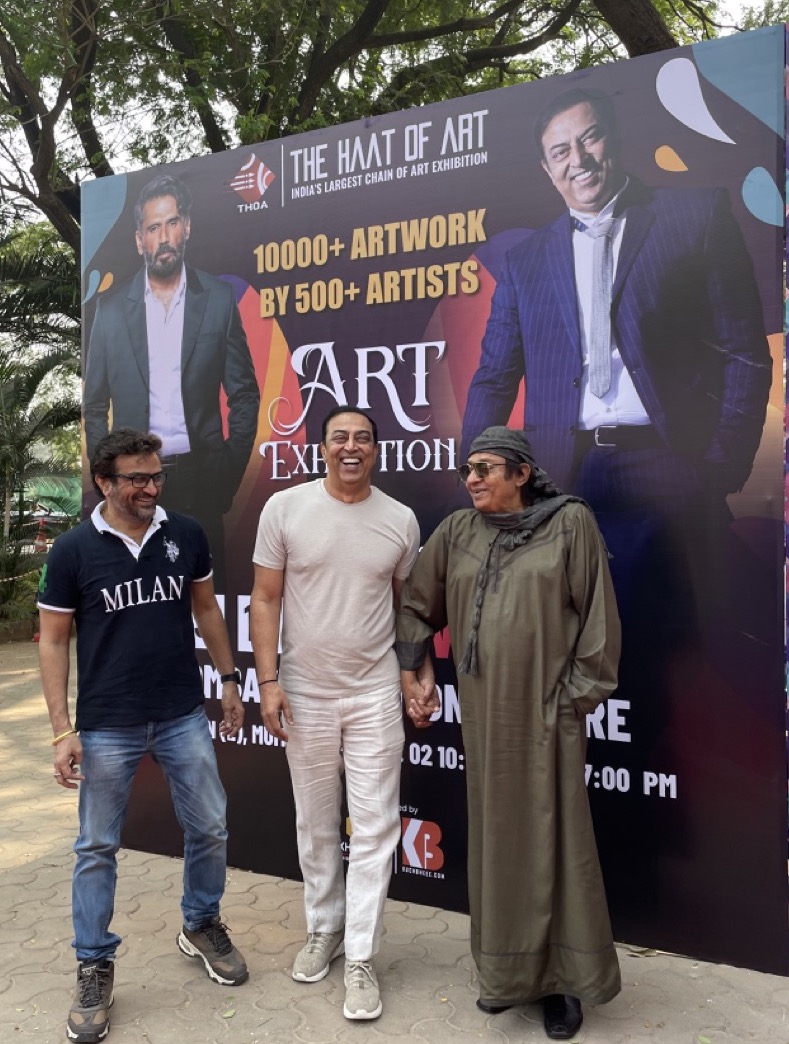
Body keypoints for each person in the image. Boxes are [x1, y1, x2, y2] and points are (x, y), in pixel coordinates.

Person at [396, 426, 621, 1041]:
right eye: (467, 469)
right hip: (485, 718)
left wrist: (574, 700)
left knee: (556, 840)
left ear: (522, 474)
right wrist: (417, 674)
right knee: (499, 841)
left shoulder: (569, 523)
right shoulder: (457, 532)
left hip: (549, 715)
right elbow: (416, 606)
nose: (471, 479)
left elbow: (598, 618)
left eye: (485, 468)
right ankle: (508, 975)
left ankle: (563, 982)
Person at [37, 428, 248, 1044]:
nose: (151, 488)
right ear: (104, 482)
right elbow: (53, 641)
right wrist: (62, 730)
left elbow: (206, 608)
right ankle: (94, 963)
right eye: (137, 478)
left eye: (156, 476)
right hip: (107, 722)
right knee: (97, 846)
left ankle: (201, 922)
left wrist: (229, 679)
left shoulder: (186, 533)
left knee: (210, 826)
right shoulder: (73, 550)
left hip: (180, 712)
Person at [461, 86, 772, 495]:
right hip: (558, 477)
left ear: (615, 137)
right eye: (561, 152)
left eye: (590, 137)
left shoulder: (697, 217)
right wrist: (476, 472)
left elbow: (744, 351)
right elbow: (494, 379)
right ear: (547, 169)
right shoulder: (524, 262)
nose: (578, 159)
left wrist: (723, 462)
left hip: (674, 467)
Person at [249, 406, 422, 1022]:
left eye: (363, 438)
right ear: (321, 447)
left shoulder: (400, 520)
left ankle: (361, 955)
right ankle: (324, 927)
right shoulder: (285, 509)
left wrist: (416, 672)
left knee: (376, 827)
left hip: (375, 693)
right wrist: (268, 681)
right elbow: (265, 598)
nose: (352, 447)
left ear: (376, 449)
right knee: (316, 820)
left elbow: (408, 610)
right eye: (340, 437)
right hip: (305, 693)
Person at [83, 173, 261, 586]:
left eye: (172, 223)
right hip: (132, 480)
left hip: (204, 478)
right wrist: (109, 477)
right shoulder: (110, 311)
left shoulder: (218, 299)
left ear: (187, 227)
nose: (163, 237)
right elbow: (93, 405)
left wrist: (227, 470)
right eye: (153, 228)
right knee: (136, 595)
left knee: (208, 597)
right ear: (139, 240)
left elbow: (245, 394)